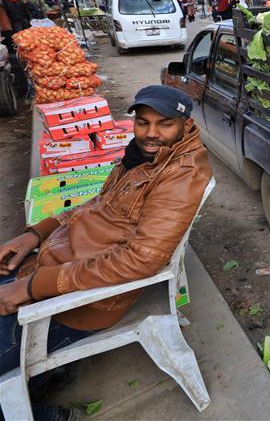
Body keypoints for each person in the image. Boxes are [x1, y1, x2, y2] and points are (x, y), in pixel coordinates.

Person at [0, 85, 212, 417]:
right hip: (57, 263)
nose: (150, 133)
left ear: (185, 126)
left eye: (164, 124)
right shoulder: (140, 157)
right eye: (143, 122)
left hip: (84, 301)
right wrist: (34, 234)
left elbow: (140, 260)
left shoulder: (180, 176)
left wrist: (31, 287)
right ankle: (41, 379)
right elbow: (97, 205)